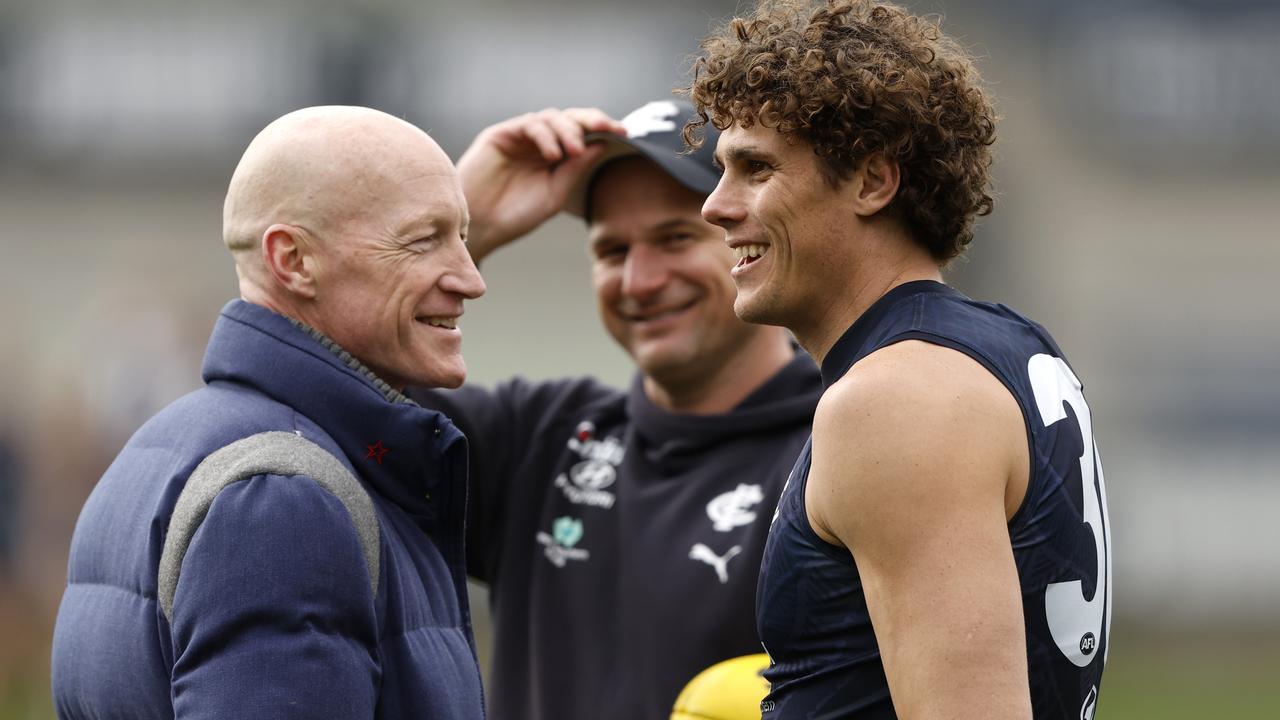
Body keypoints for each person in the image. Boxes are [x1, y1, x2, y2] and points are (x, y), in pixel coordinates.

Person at [688, 1, 1112, 718]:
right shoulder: (1010, 345)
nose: (715, 207)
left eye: (755, 168)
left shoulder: (897, 399)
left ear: (872, 182)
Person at [50, 106, 488, 719]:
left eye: (463, 237)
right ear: (293, 261)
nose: (471, 279)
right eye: (422, 240)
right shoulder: (281, 500)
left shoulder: (169, 447)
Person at [410, 100, 822, 720]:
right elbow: (325, 397)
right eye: (611, 251)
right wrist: (461, 228)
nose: (638, 281)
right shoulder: (539, 439)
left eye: (674, 238)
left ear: (750, 237)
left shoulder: (838, 445)